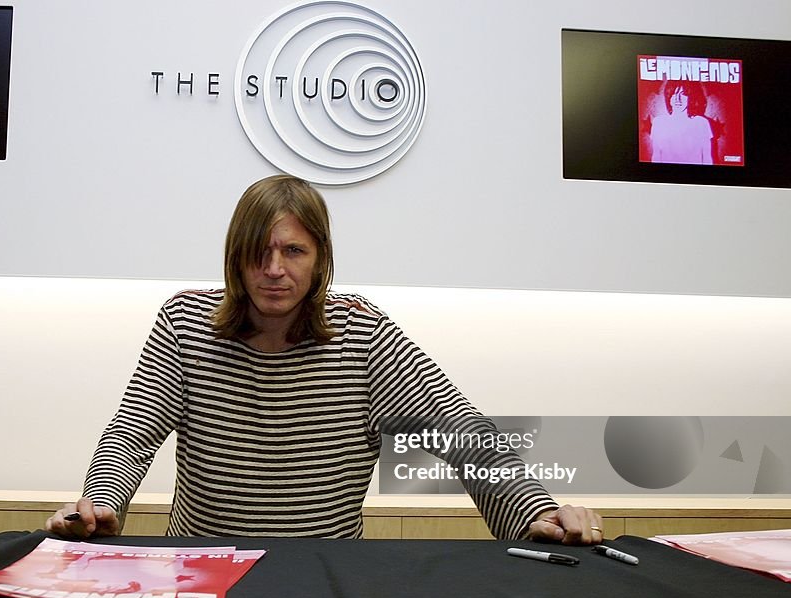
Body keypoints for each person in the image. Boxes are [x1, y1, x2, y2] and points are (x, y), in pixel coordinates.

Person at [47, 175, 602, 543]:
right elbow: (133, 435)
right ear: (234, 258)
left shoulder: (363, 334)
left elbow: (459, 431)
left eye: (293, 251)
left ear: (320, 260)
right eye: (258, 252)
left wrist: (533, 512)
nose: (274, 269)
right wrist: (100, 506)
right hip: (201, 575)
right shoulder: (184, 323)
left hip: (327, 582)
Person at [649, 80, 713, 165]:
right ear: (669, 97)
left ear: (690, 98)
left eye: (683, 94)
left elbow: (707, 158)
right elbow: (656, 157)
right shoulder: (659, 123)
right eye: (673, 94)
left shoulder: (701, 123)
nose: (677, 99)